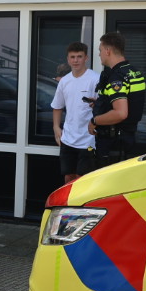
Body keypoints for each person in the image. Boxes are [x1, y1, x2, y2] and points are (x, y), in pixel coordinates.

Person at [90, 31, 146, 167]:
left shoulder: (116, 77)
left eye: (100, 50)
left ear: (108, 51)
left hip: (113, 145)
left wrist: (94, 121)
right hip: (128, 139)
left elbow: (120, 113)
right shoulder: (134, 72)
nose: (99, 54)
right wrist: (101, 104)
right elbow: (131, 101)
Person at [50, 41, 99, 184]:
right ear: (68, 59)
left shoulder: (95, 79)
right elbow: (57, 106)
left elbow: (102, 107)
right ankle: (68, 207)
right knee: (68, 179)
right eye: (72, 57)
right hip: (68, 139)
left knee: (82, 181)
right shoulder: (64, 81)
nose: (76, 60)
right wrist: (56, 127)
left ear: (86, 58)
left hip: (89, 140)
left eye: (79, 56)